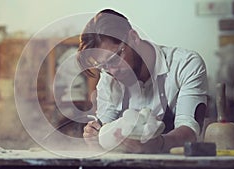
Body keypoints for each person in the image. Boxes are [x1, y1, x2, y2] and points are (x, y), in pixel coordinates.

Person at [77, 9, 208, 153]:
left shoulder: (185, 65)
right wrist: (95, 135)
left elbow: (190, 131)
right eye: (103, 66)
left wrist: (159, 144)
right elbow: (105, 127)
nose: (112, 71)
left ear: (133, 38)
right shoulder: (108, 79)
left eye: (114, 59)